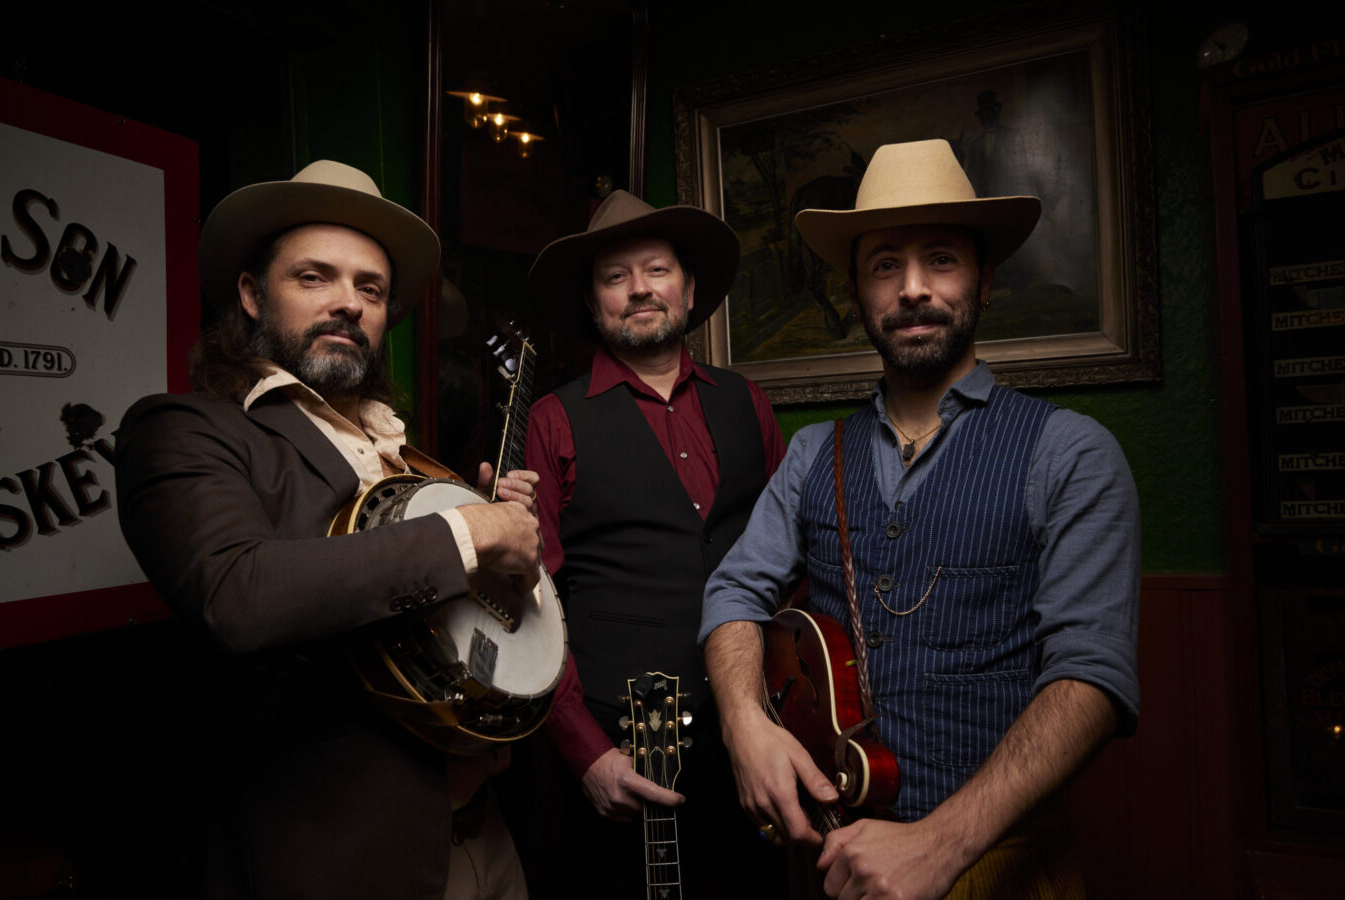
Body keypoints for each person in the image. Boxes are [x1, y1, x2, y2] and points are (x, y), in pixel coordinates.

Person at [701, 139, 1141, 899]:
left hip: (995, 863)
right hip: (830, 859)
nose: (911, 289)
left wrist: (939, 845)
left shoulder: (1071, 453)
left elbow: (1090, 678)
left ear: (984, 279)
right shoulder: (812, 454)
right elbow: (732, 592)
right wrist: (744, 724)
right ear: (855, 293)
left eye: (940, 259)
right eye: (884, 265)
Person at [114, 160, 543, 900]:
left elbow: (438, 614)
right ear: (252, 294)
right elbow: (236, 596)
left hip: (485, 838)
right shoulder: (183, 429)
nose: (348, 302)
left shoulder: (407, 453)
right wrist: (470, 533)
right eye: (314, 277)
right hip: (338, 862)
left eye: (370, 289)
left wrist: (490, 536)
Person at [518, 190, 787, 896]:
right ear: (594, 304)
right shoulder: (552, 421)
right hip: (621, 748)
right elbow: (531, 605)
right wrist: (584, 754)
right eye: (616, 277)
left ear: (689, 290)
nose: (639, 288)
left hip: (753, 735)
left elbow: (793, 565)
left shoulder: (748, 401)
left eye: (656, 270)